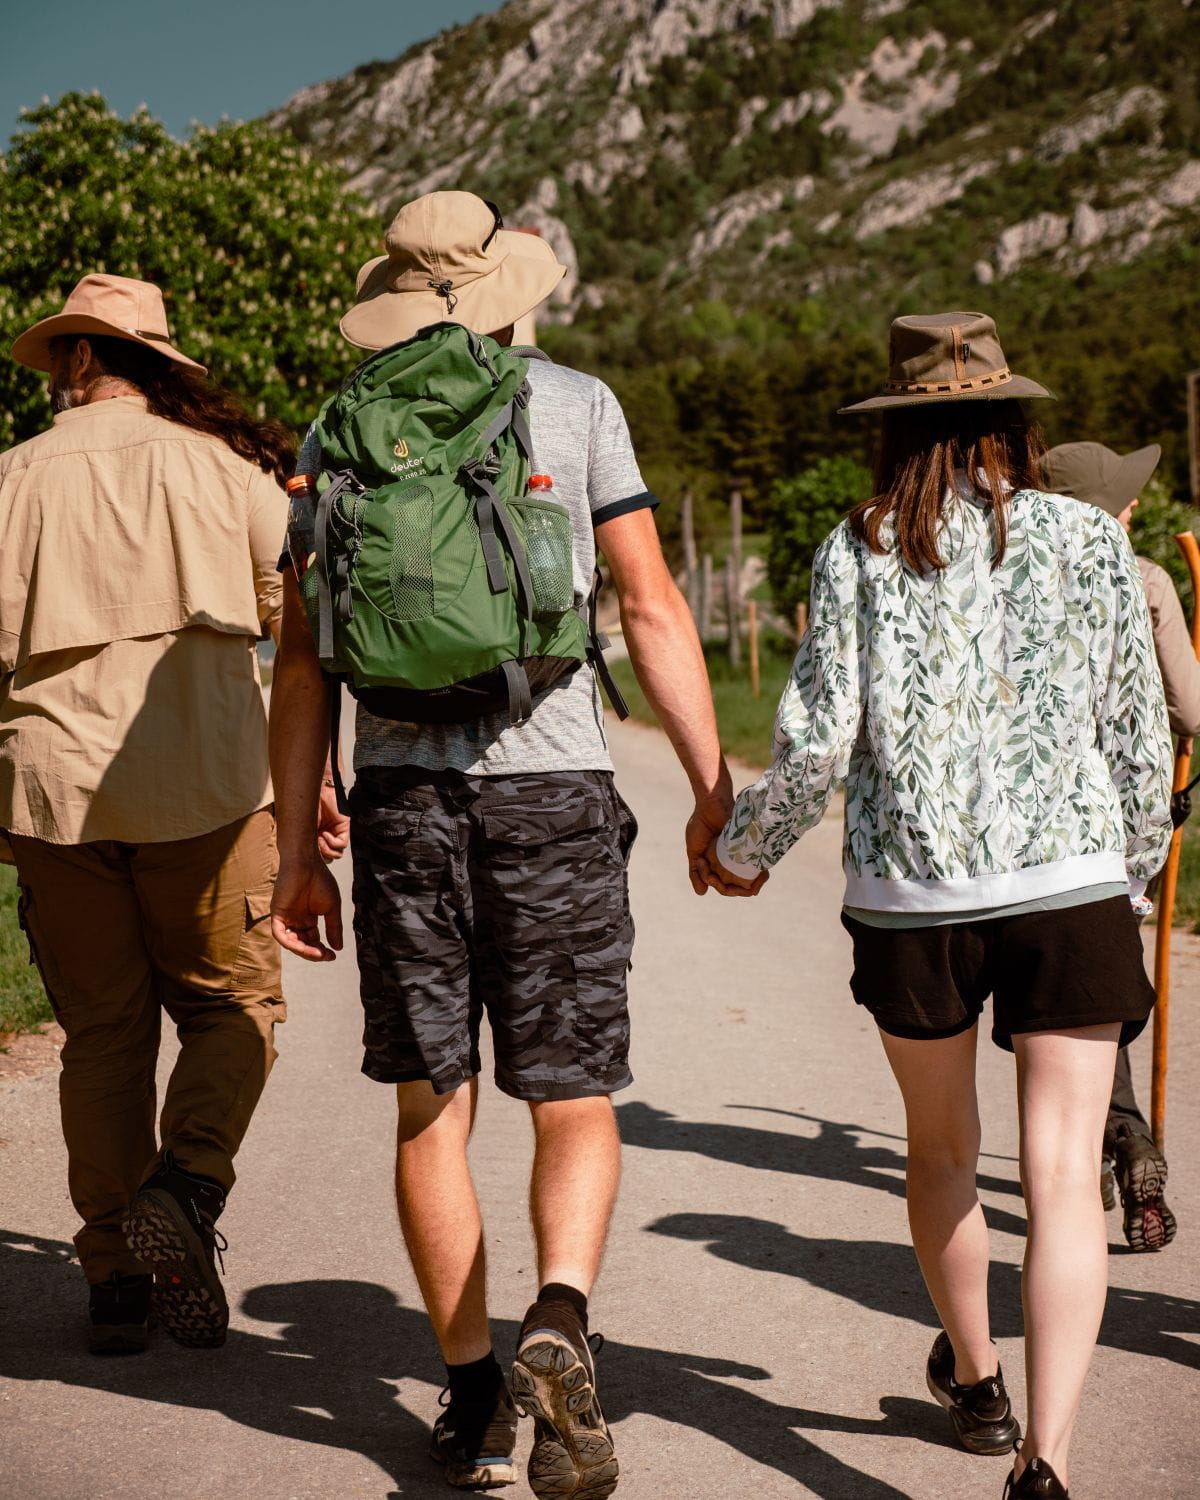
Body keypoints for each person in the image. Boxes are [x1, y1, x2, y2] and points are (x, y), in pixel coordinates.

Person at [269, 190, 733, 1496]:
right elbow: (650, 604)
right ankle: (561, 1317)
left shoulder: (337, 425)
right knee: (571, 1094)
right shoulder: (577, 405)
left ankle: (472, 1394)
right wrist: (712, 789)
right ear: (501, 288)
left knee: (433, 1106)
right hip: (555, 790)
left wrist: (297, 841)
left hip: (402, 797)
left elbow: (301, 660)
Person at [705, 313, 1174, 1499]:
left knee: (943, 1152)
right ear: (1013, 418)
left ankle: (976, 1382)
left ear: (895, 429)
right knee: (1062, 1177)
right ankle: (1047, 1460)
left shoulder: (859, 544)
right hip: (1070, 888)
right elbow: (1136, 733)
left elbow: (819, 746)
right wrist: (1128, 873)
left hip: (915, 899)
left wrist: (744, 850)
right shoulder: (1089, 539)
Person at [0, 274, 305, 1355]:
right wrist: (315, 784)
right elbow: (304, 617)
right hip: (210, 793)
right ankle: (186, 1185)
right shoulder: (226, 471)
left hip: (52, 799)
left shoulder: (9, 480)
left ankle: (115, 1276)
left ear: (83, 359)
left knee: (103, 1037)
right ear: (155, 363)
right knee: (233, 1008)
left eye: (59, 358)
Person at [1041, 440, 1200, 1253]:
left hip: (1028, 823)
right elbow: (1192, 708)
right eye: (1125, 497)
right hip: (1124, 818)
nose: (1136, 503)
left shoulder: (1005, 575)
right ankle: (1123, 1136)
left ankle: (1114, 1135)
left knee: (1056, 1002)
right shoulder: (1145, 580)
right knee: (1101, 987)